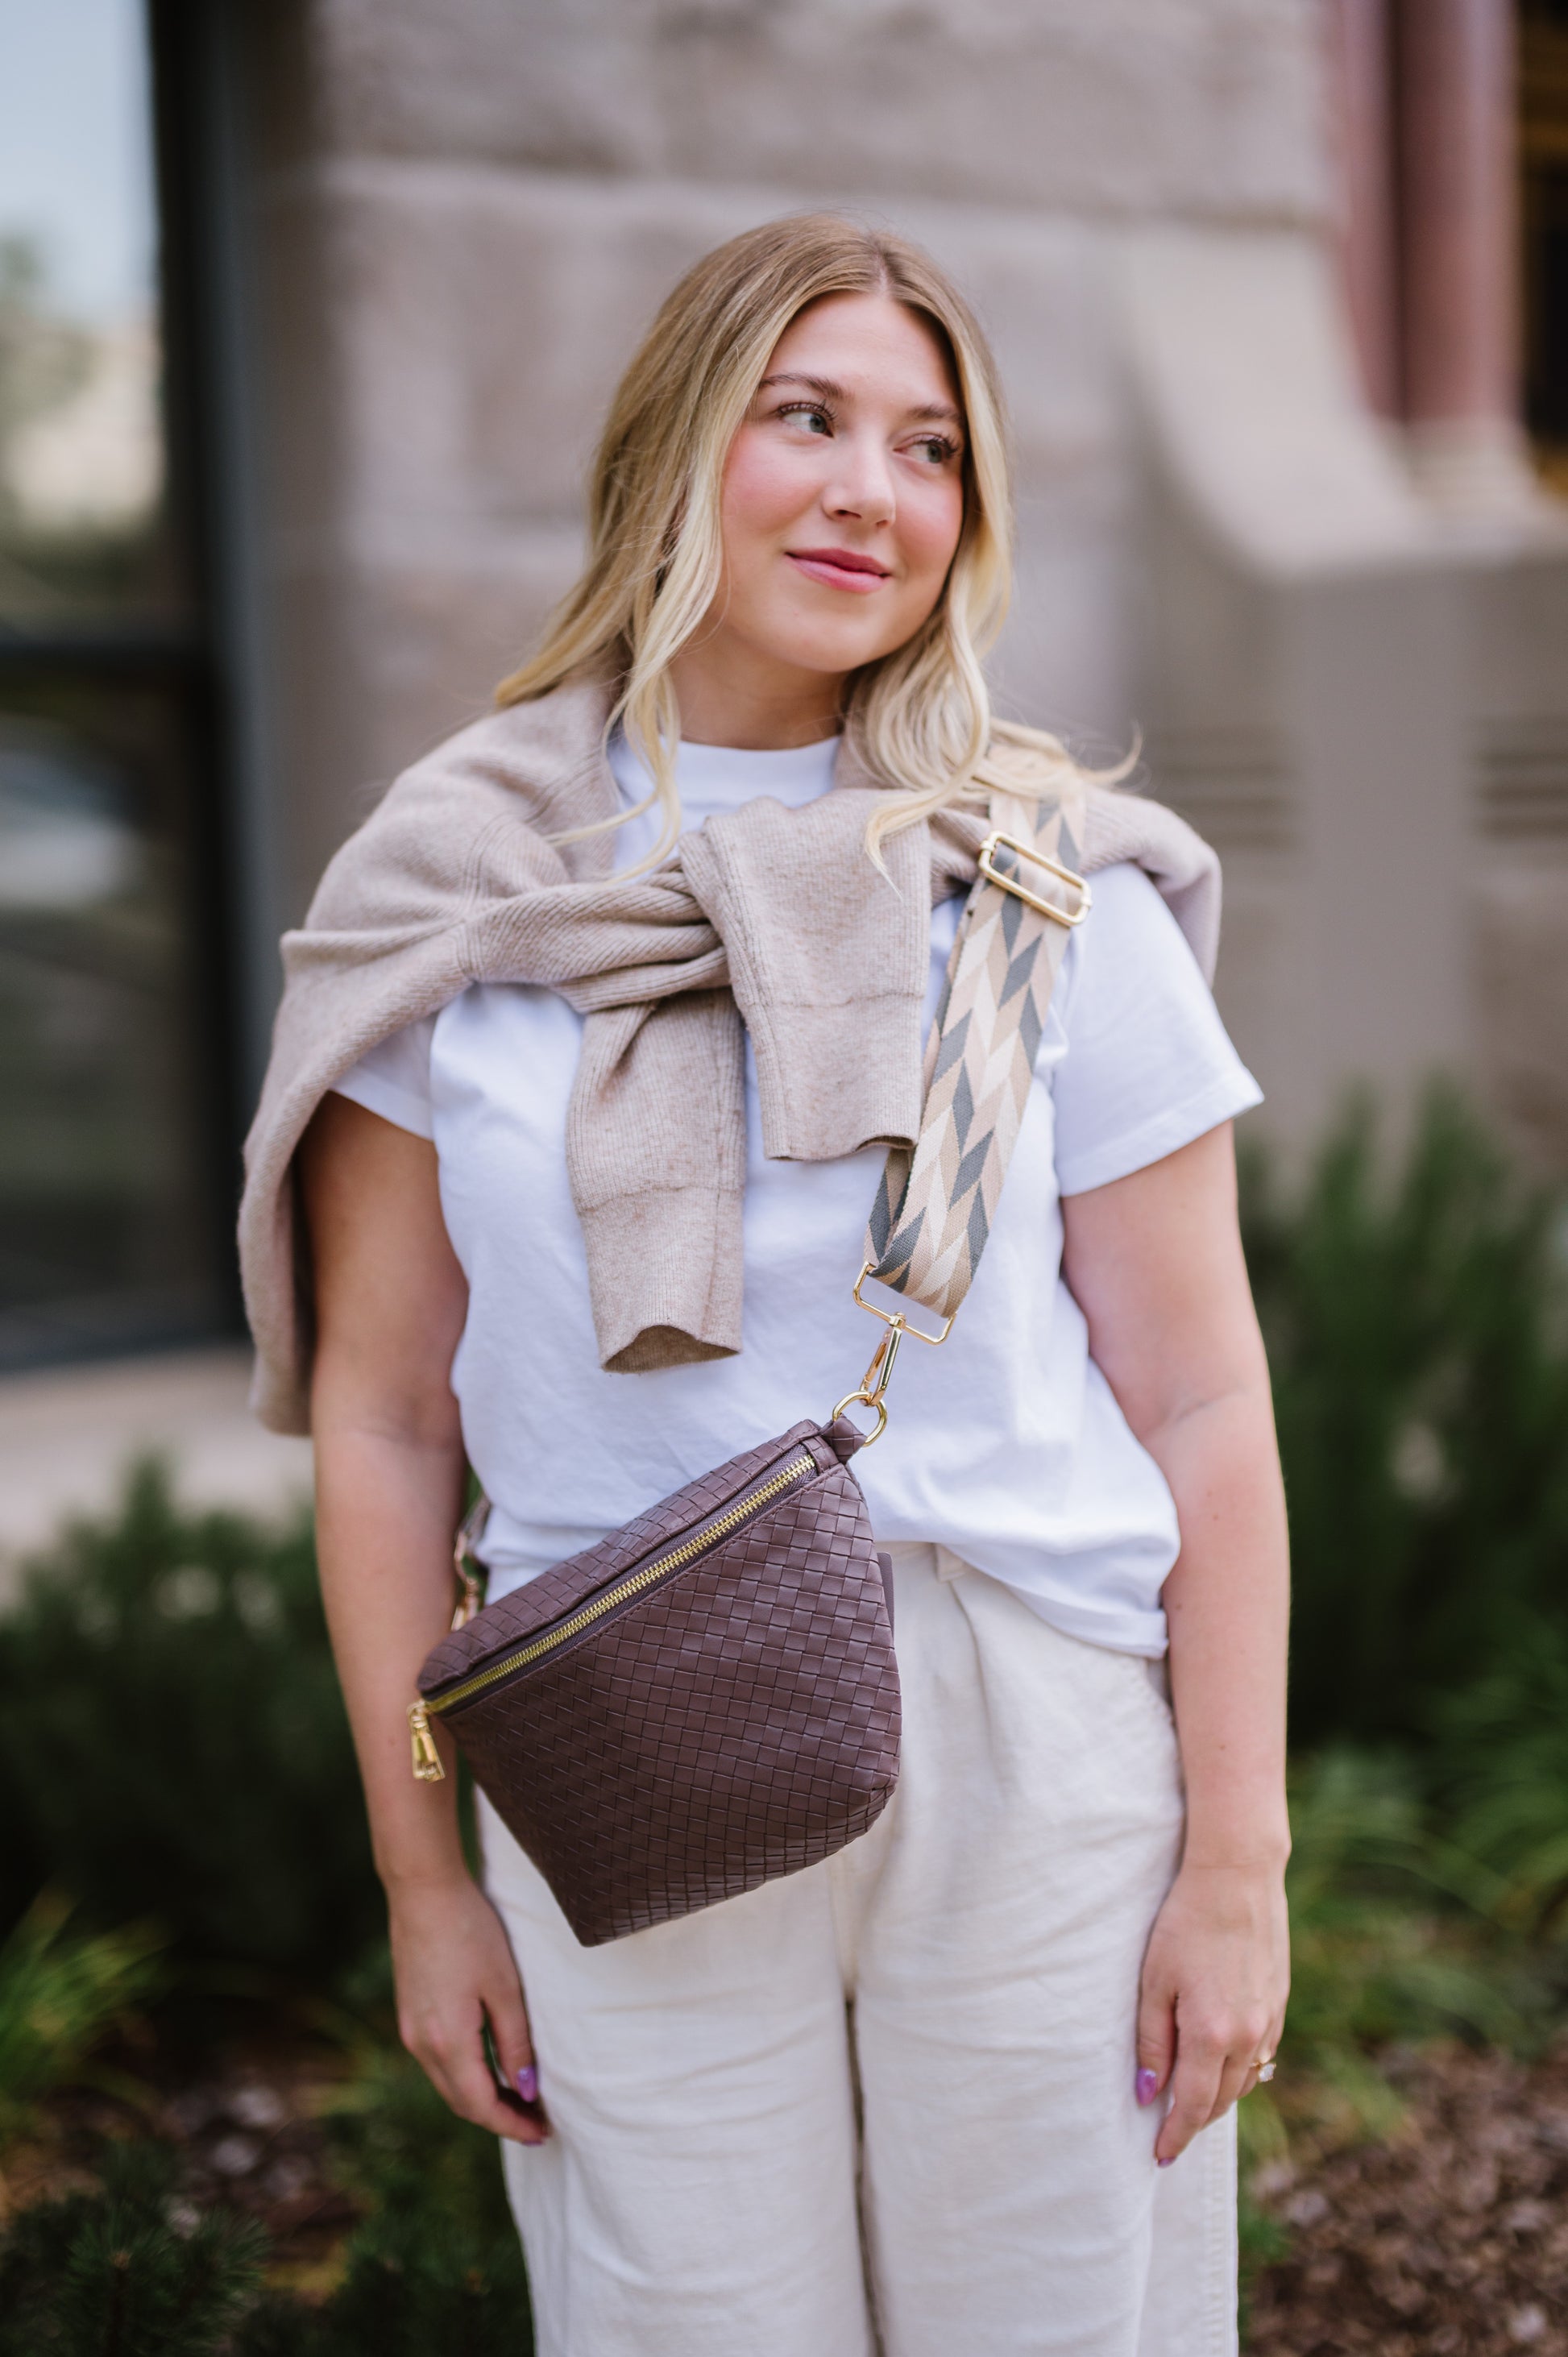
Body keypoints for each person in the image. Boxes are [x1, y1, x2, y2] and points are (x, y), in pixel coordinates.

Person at [240, 215, 1290, 2356]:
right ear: (672, 449)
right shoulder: (451, 895)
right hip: (618, 1727)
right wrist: (422, 1885)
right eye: (802, 418)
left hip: (1026, 1724)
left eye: (926, 449)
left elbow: (1201, 1403)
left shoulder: (1041, 882)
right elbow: (384, 1422)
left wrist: (1233, 1866)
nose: (865, 492)